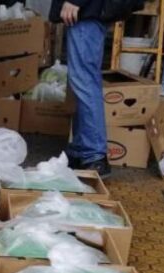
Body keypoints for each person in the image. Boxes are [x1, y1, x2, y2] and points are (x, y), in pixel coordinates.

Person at [53, 0, 111, 177]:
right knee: (81, 80)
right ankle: (81, 149)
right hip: (88, 11)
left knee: (84, 80)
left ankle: (95, 154)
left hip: (87, 10)